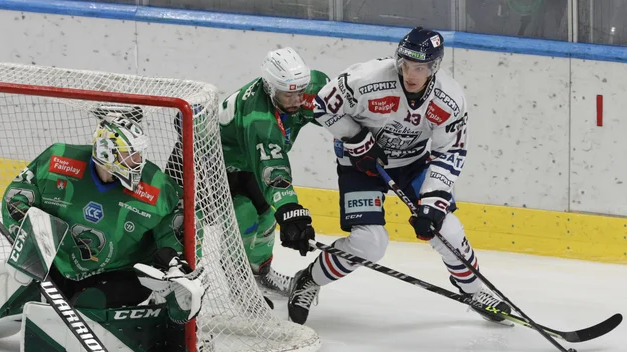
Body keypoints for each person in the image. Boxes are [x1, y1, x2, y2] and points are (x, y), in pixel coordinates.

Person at [0, 114, 204, 352]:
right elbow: (20, 195)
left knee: (86, 304)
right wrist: (24, 232)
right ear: (107, 152)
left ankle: (146, 314)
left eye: (139, 154)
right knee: (17, 287)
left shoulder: (157, 186)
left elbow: (175, 228)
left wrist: (172, 260)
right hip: (56, 263)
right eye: (129, 155)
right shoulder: (59, 160)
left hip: (120, 274)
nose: (138, 161)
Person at [288, 27, 511, 325]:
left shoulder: (449, 99)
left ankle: (473, 291)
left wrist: (432, 202)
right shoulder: (367, 79)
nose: (410, 74)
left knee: (448, 231)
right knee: (370, 243)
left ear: (434, 67)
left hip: (413, 163)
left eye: (419, 67)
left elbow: (451, 153)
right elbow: (323, 105)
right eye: (406, 64)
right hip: (361, 164)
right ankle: (308, 281)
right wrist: (355, 138)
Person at [218, 47, 329, 303]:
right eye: (287, 95)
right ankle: (239, 282)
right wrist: (291, 211)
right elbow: (274, 169)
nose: (296, 100)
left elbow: (342, 112)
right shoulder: (258, 117)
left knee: (267, 214)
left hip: (247, 163)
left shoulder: (309, 88)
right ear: (269, 87)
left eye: (300, 92)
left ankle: (261, 273)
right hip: (209, 163)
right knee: (243, 214)